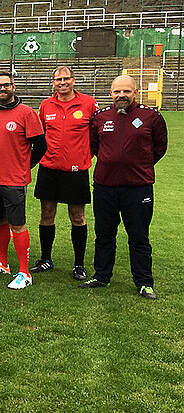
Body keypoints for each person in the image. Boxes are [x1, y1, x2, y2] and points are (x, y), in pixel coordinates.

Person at [80, 75, 167, 299]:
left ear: (135, 93)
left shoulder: (151, 116)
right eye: (117, 92)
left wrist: (139, 165)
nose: (122, 96)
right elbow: (95, 146)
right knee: (104, 234)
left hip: (138, 188)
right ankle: (101, 276)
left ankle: (144, 282)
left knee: (138, 236)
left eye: (126, 92)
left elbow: (159, 147)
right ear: (110, 93)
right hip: (105, 186)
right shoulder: (100, 117)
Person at [0, 72, 46, 290]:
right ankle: (2, 264)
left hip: (14, 180)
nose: (2, 89)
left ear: (13, 87)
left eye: (6, 85)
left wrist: (24, 166)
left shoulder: (26, 113)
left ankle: (24, 272)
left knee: (17, 224)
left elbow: (41, 146)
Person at [30, 66, 99, 281]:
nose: (62, 82)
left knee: (77, 216)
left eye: (66, 78)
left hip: (76, 171)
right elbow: (39, 136)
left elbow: (96, 135)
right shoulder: (45, 105)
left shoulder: (88, 104)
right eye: (58, 79)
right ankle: (46, 259)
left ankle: (79, 264)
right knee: (46, 214)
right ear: (53, 83)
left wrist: (85, 156)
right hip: (49, 169)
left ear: (73, 80)